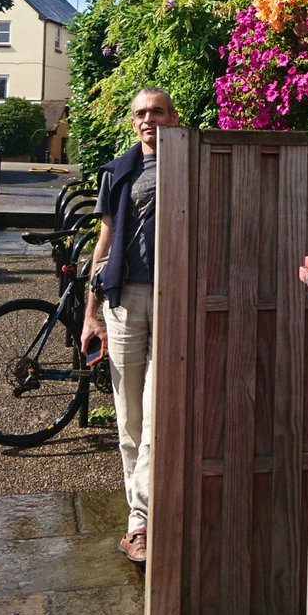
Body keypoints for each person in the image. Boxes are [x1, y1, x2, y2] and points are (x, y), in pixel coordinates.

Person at [81, 86, 179, 566]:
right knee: (129, 417)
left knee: (159, 413)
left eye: (157, 111)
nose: (148, 119)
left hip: (173, 298)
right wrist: (90, 312)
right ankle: (138, 517)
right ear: (132, 120)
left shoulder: (190, 164)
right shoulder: (119, 172)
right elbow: (105, 242)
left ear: (172, 117)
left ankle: (140, 521)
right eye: (141, 112)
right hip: (123, 300)